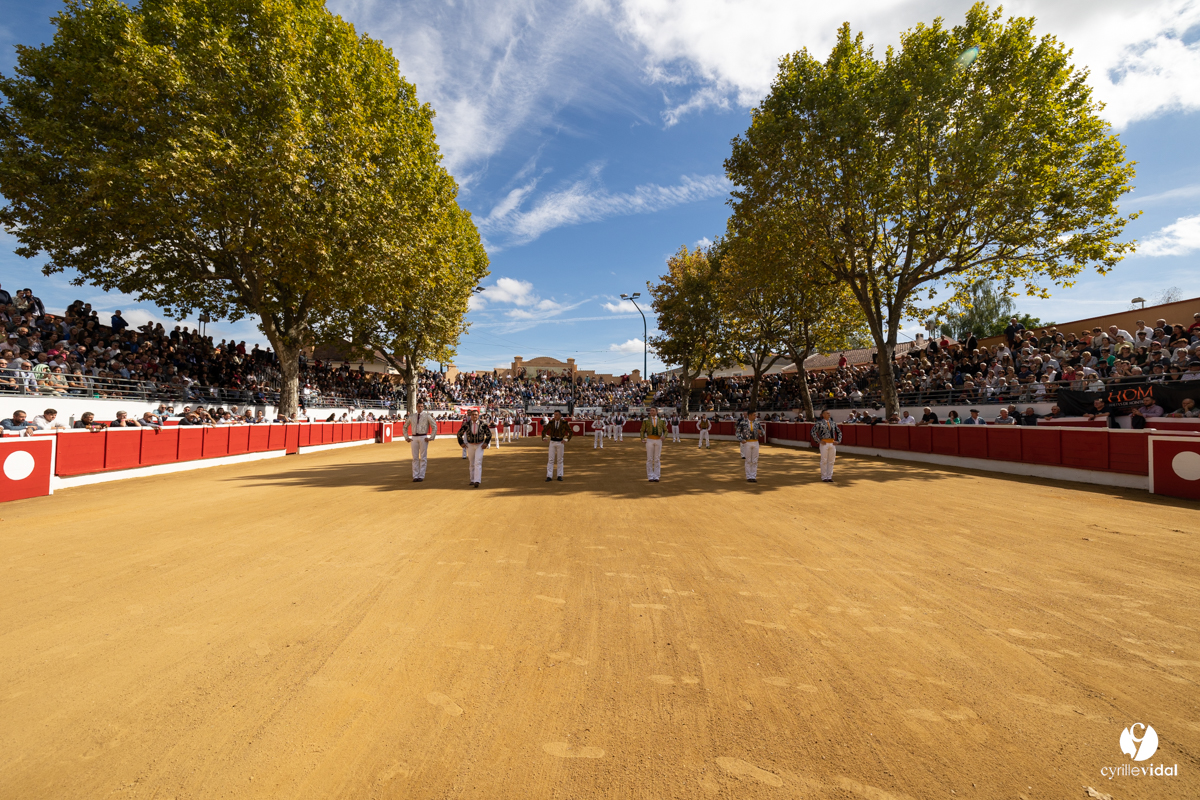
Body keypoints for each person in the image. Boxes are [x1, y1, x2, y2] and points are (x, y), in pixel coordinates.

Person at [403, 401, 438, 482]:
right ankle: (415, 476)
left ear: (423, 407)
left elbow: (434, 426)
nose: (420, 408)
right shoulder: (412, 416)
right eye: (418, 406)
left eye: (421, 406)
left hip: (423, 437)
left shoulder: (427, 416)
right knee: (415, 458)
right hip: (414, 438)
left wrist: (431, 437)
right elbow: (405, 427)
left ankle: (421, 476)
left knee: (423, 457)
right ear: (416, 407)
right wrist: (406, 437)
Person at [455, 408, 490, 487]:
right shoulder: (466, 424)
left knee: (478, 462)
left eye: (476, 415)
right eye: (473, 415)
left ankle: (477, 480)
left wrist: (486, 443)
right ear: (470, 416)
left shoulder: (483, 424)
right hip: (470, 445)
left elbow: (489, 434)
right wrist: (461, 443)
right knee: (471, 463)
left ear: (478, 416)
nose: (474, 416)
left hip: (480, 445)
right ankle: (472, 479)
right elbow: (459, 434)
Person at [811, 409, 842, 483]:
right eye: (827, 413)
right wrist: (818, 441)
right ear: (823, 415)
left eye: (829, 413)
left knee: (831, 461)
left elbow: (839, 432)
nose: (829, 414)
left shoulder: (833, 423)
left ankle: (829, 476)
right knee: (824, 460)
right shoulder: (819, 423)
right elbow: (812, 432)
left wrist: (838, 441)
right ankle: (824, 477)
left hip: (832, 443)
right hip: (824, 443)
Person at [735, 410, 766, 482]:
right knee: (748, 460)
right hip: (747, 443)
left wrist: (761, 432)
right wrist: (741, 439)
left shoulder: (757, 423)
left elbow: (763, 432)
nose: (756, 416)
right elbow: (737, 432)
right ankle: (749, 477)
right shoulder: (743, 423)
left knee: (755, 460)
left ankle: (753, 476)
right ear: (750, 415)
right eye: (754, 415)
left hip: (755, 442)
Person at [542, 410, 573, 482]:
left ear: (560, 415)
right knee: (550, 459)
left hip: (560, 442)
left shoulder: (564, 423)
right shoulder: (551, 422)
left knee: (560, 459)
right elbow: (544, 430)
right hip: (552, 442)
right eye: (554, 415)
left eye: (556, 415)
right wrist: (543, 437)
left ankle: (559, 475)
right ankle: (549, 476)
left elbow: (570, 432)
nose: (555, 416)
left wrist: (567, 439)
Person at [640, 407, 668, 482]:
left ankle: (656, 476)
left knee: (657, 458)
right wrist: (642, 438)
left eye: (653, 411)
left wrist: (664, 436)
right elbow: (642, 430)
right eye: (650, 411)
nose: (651, 412)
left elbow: (666, 430)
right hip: (649, 440)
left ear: (657, 412)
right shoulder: (646, 420)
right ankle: (650, 476)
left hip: (658, 440)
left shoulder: (662, 421)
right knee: (649, 458)